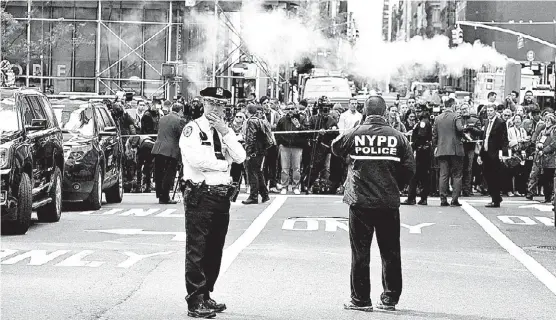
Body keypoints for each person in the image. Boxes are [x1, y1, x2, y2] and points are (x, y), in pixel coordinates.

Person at [331, 96, 415, 312]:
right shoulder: (398, 137)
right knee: (390, 252)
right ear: (385, 112)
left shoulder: (355, 133)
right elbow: (409, 168)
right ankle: (389, 299)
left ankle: (360, 300)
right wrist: (396, 184)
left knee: (360, 252)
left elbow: (335, 147)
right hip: (388, 201)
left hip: (360, 201)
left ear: (365, 112)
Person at [179, 87, 246, 318]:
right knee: (197, 248)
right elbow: (197, 161)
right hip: (200, 193)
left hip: (221, 195)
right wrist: (223, 165)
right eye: (211, 104)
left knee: (215, 249)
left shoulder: (224, 130)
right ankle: (195, 299)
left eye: (220, 105)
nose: (216, 109)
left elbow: (241, 156)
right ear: (203, 104)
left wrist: (226, 132)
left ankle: (206, 293)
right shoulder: (192, 129)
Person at [151, 102, 187, 204]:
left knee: (159, 174)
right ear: (180, 111)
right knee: (169, 174)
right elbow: (181, 136)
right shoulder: (179, 120)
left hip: (158, 148)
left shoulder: (162, 118)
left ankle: (160, 195)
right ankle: (165, 197)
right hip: (170, 150)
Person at [433, 98, 465, 206]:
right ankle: (454, 199)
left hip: (442, 149)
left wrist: (436, 146)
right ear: (453, 105)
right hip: (455, 149)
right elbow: (460, 129)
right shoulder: (456, 116)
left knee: (443, 174)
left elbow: (435, 135)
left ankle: (443, 199)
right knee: (457, 175)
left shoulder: (437, 118)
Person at [477, 105, 510, 207]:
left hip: (495, 154)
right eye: (488, 111)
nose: (489, 113)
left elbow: (505, 139)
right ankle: (495, 197)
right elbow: (484, 139)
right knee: (487, 176)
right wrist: (480, 155)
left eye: (491, 111)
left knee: (494, 177)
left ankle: (496, 199)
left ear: (495, 111)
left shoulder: (500, 123)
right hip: (486, 153)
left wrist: (503, 154)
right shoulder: (486, 122)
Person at [242, 104, 270, 204]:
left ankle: (253, 196)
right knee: (258, 172)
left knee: (252, 173)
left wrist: (248, 151)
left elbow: (251, 137)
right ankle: (264, 194)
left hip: (254, 151)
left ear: (248, 111)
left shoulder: (251, 121)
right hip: (261, 150)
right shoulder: (260, 120)